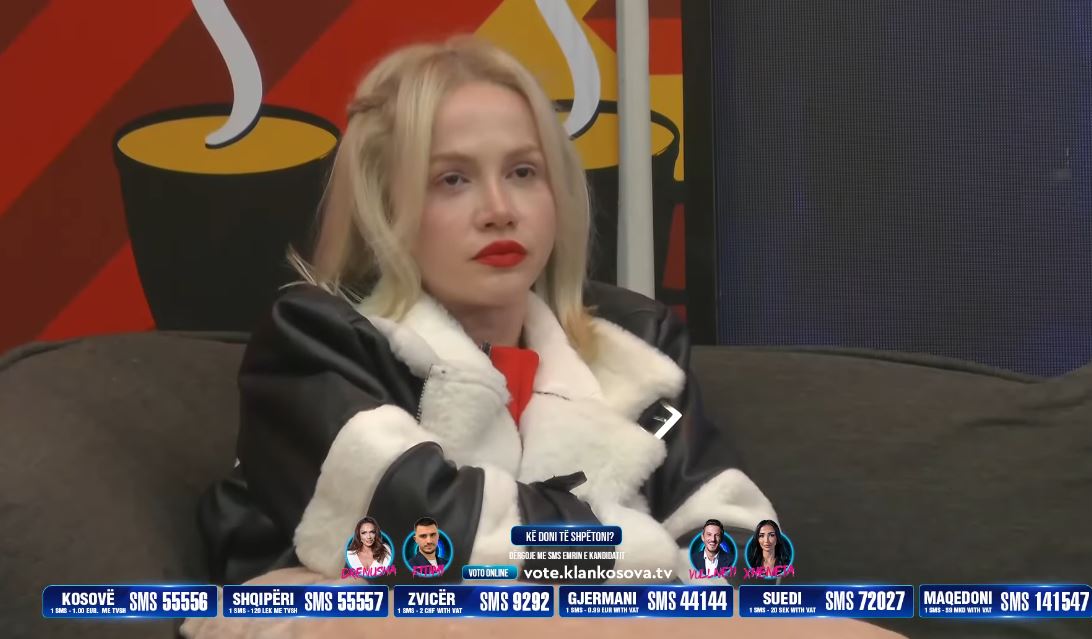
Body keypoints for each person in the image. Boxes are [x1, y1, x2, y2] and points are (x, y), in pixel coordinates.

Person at [185, 34, 904, 639]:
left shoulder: (637, 345)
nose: (500, 209)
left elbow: (741, 542)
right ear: (384, 204)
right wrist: (648, 557)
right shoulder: (316, 341)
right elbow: (439, 541)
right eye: (453, 180)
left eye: (523, 172)